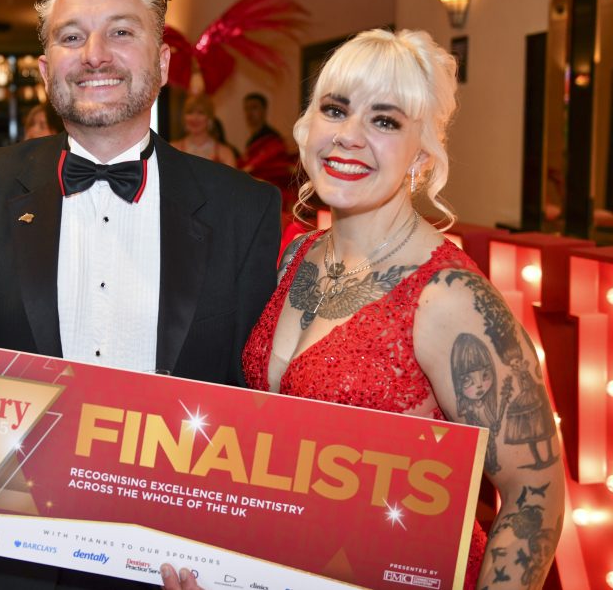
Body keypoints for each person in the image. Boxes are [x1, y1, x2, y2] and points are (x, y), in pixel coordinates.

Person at [0, 0, 282, 590]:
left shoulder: (243, 209)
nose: (95, 55)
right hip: (13, 557)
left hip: (175, 563)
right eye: (71, 36)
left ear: (162, 62)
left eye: (121, 31)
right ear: (44, 70)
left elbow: (254, 396)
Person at [232, 29, 562, 590]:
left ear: (422, 155)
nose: (349, 136)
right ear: (309, 126)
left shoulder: (450, 296)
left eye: (384, 121)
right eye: (335, 110)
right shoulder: (295, 256)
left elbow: (536, 494)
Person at [236, 92, 298, 204]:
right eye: (246, 109)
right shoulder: (252, 140)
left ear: (264, 110)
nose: (249, 113)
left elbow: (273, 170)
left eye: (254, 107)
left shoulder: (272, 139)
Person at [172, 93, 237, 166]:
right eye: (190, 112)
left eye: (201, 113)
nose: (194, 118)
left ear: (209, 118)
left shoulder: (225, 154)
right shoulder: (172, 149)